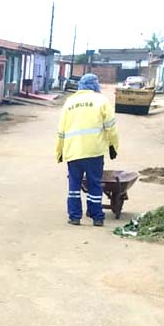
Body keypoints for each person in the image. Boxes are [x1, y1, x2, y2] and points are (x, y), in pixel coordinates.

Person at [55, 73, 120, 226]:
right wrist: (113, 146)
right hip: (94, 152)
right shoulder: (101, 101)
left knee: (74, 185)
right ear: (96, 85)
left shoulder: (69, 103)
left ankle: (75, 217)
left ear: (80, 85)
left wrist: (59, 152)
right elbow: (111, 127)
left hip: (73, 152)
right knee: (95, 184)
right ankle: (97, 217)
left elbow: (61, 131)